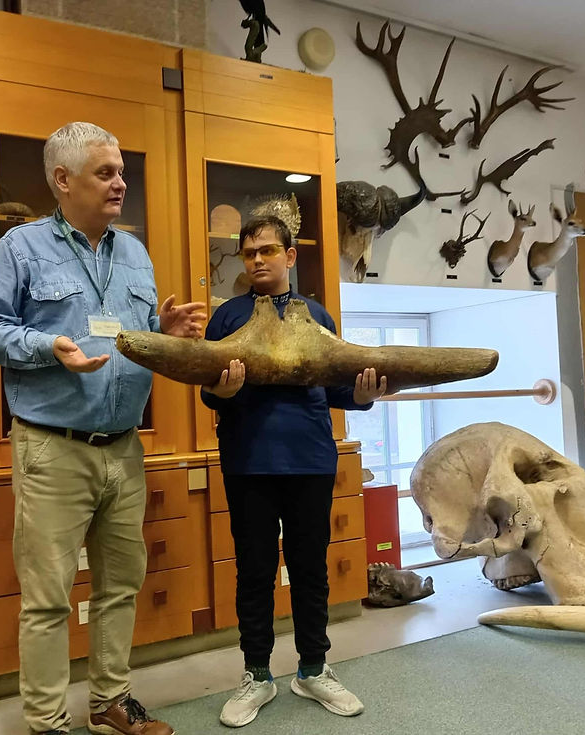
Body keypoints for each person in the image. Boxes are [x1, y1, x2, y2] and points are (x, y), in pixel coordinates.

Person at [0, 122, 204, 735]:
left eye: (121, 171)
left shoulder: (134, 252)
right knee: (48, 597)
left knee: (120, 585)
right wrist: (49, 347)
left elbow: (134, 334)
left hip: (124, 447)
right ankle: (48, 722)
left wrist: (163, 333)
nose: (120, 183)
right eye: (105, 173)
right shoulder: (21, 248)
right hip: (53, 448)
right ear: (63, 180)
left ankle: (110, 703)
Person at [200, 215, 386, 727]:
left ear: (289, 255)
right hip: (248, 463)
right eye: (249, 253)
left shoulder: (317, 316)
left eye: (266, 250)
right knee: (255, 571)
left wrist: (363, 395)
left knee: (310, 569)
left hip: (310, 461)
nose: (257, 259)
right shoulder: (226, 318)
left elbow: (337, 387)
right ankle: (256, 675)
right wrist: (222, 391)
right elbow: (208, 391)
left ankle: (313, 669)